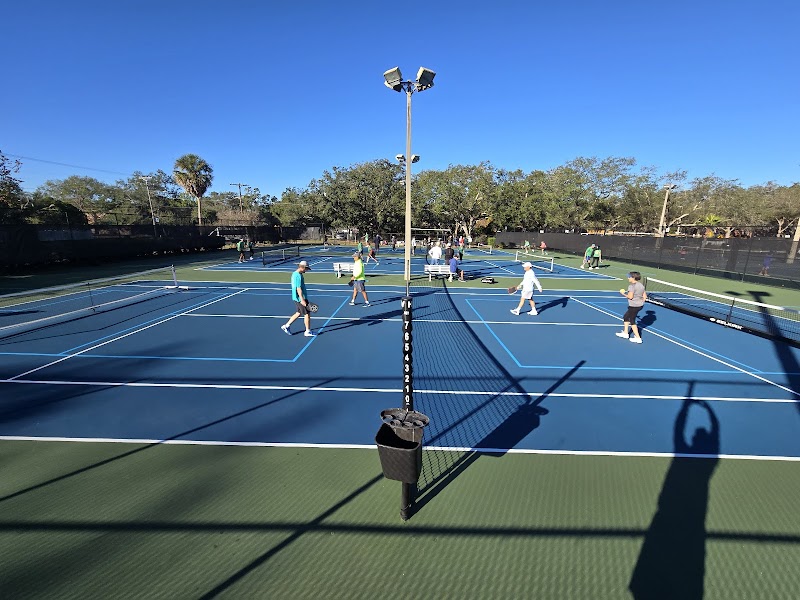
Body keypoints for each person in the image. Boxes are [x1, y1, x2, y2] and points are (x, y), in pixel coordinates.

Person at [281, 261, 315, 337]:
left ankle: (286, 326)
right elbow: (298, 288)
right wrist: (302, 299)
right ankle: (307, 331)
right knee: (307, 314)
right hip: (300, 298)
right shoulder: (298, 276)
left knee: (298, 313)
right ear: (302, 267)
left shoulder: (295, 274)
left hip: (296, 298)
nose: (306, 270)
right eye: (306, 269)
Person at [616, 271, 648, 344]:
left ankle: (638, 338)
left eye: (629, 277)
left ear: (633, 277)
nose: (628, 278)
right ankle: (625, 333)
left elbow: (630, 297)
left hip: (633, 306)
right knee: (626, 317)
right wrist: (640, 302)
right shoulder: (641, 285)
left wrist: (623, 293)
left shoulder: (631, 286)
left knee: (632, 320)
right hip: (639, 305)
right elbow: (644, 296)